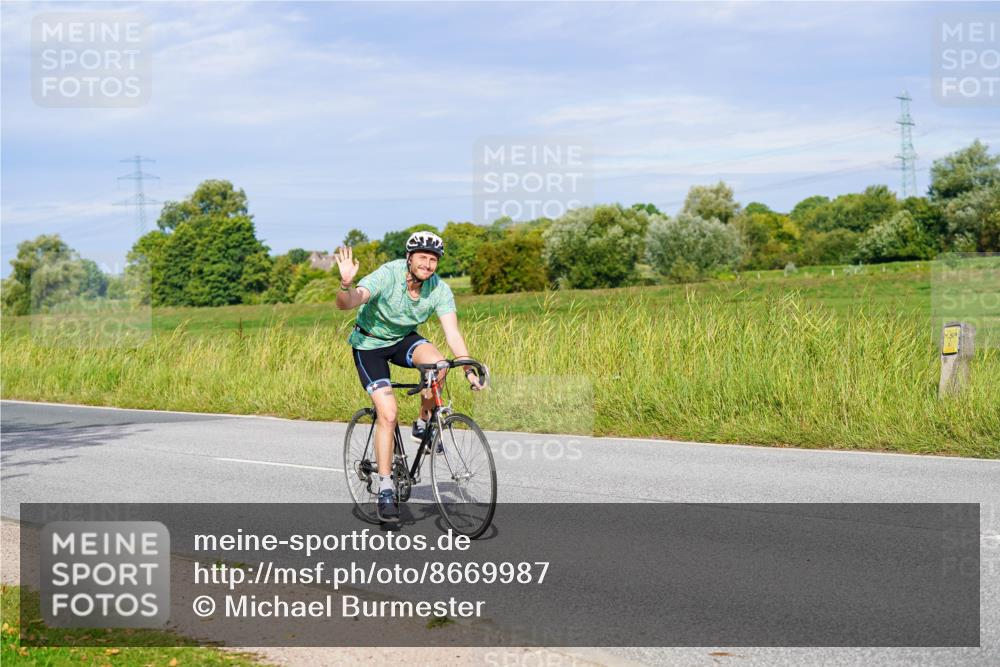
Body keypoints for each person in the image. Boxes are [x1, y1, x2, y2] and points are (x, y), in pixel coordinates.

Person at [335, 231, 482, 523]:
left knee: (440, 365)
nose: (427, 264)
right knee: (388, 414)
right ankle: (386, 489)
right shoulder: (388, 275)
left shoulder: (438, 288)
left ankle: (422, 423)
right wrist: (346, 283)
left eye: (433, 259)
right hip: (370, 345)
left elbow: (452, 333)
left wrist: (468, 368)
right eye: (422, 258)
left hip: (403, 340)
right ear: (409, 258)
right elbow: (349, 302)